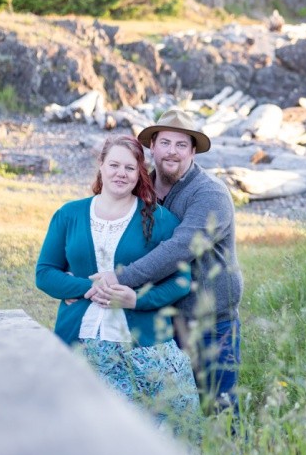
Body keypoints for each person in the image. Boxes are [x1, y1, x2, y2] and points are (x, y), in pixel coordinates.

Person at [35, 133, 201, 432]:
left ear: (140, 173)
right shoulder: (68, 214)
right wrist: (85, 288)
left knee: (152, 435)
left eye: (129, 168)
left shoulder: (159, 220)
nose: (120, 173)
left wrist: (136, 300)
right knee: (81, 433)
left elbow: (180, 282)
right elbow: (45, 273)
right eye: (113, 165)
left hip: (141, 347)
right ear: (101, 166)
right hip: (79, 341)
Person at [87, 107, 243, 414]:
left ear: (193, 151)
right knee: (167, 410)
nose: (172, 152)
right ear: (152, 146)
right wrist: (79, 284)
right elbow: (105, 230)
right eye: (166, 143)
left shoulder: (210, 194)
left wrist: (117, 278)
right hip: (157, 317)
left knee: (220, 411)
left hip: (210, 322)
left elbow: (180, 248)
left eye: (181, 145)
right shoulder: (138, 188)